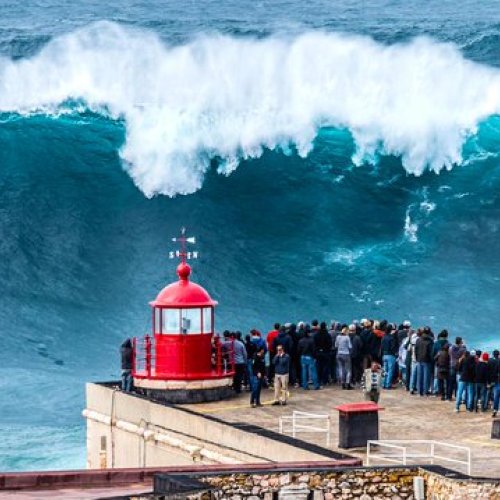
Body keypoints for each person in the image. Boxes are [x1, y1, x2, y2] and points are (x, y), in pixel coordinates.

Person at [298, 325, 320, 390]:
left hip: (303, 357)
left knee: (304, 372)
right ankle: (316, 385)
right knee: (313, 371)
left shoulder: (300, 341)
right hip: (310, 357)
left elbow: (298, 350)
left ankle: (305, 386)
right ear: (308, 333)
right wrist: (315, 357)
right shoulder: (311, 340)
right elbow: (314, 350)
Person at [415, 328, 433, 396]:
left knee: (419, 376)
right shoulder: (430, 341)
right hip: (427, 360)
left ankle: (419, 391)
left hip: (419, 359)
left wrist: (417, 358)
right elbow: (431, 352)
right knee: (426, 377)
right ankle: (425, 392)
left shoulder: (418, 339)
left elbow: (416, 350)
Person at [314, 321, 333, 385]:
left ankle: (319, 380)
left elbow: (314, 343)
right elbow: (330, 344)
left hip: (318, 352)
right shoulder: (327, 335)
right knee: (326, 367)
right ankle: (325, 380)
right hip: (326, 352)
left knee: (318, 366)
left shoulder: (316, 334)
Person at [381, 324, 398, 389]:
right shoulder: (391, 337)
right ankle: (388, 385)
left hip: (384, 354)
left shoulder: (383, 337)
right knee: (390, 370)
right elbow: (393, 347)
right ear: (391, 330)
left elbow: (382, 346)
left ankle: (384, 384)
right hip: (391, 355)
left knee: (385, 370)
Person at [491, 350, 500, 417]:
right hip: (497, 380)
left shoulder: (493, 361)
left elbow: (493, 373)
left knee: (496, 396)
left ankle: (495, 410)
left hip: (496, 381)